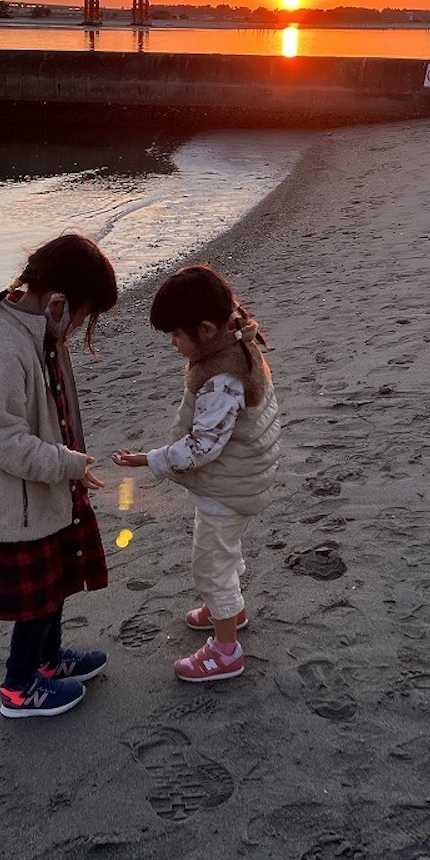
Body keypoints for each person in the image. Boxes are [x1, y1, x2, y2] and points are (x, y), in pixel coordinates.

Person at [0, 232, 119, 718]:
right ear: (60, 301)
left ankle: (48, 662)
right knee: (36, 600)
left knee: (58, 583)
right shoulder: (3, 350)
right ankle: (18, 688)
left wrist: (68, 465)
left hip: (44, 492)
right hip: (13, 503)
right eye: (83, 316)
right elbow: (1, 442)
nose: (80, 326)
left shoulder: (39, 336)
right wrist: (66, 463)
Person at [112, 264, 281, 682]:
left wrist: (149, 459)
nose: (173, 344)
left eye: (175, 336)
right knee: (223, 549)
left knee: (210, 564)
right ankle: (230, 610)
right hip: (239, 478)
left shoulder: (224, 378)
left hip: (229, 485)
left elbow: (203, 447)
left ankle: (226, 651)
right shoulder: (232, 341)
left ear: (206, 330)